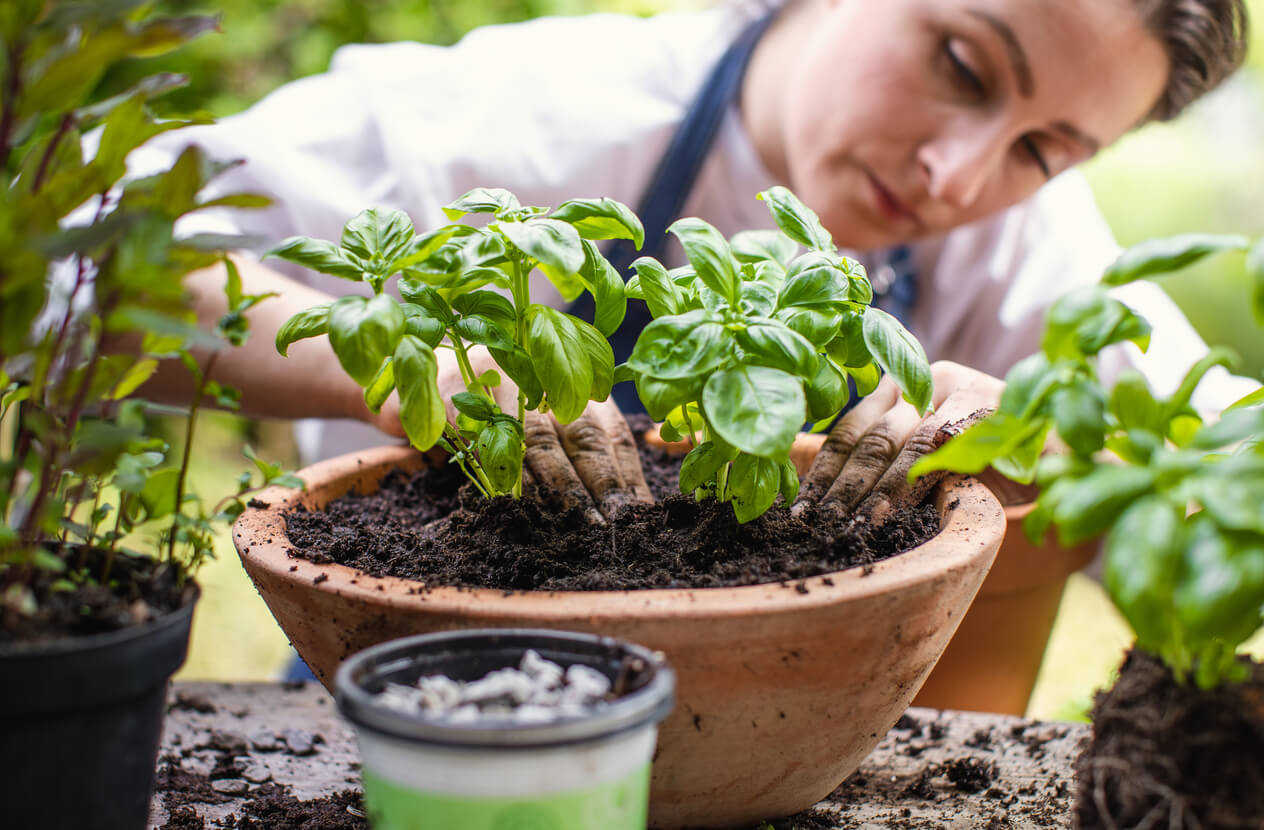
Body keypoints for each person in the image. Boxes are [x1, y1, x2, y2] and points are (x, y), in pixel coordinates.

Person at [131, 0, 1255, 523]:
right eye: (960, 63)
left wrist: (1040, 425)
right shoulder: (532, 122)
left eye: (1043, 148)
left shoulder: (1020, 239)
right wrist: (387, 370)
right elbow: (82, 258)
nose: (956, 178)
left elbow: (1222, 453)